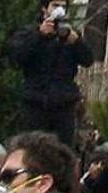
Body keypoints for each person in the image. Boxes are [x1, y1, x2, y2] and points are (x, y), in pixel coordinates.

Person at [9, 0, 94, 146]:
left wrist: (77, 42)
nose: (60, 9)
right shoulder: (28, 32)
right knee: (33, 148)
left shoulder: (71, 34)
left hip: (63, 105)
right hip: (35, 103)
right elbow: (18, 58)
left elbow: (88, 60)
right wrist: (40, 35)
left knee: (63, 149)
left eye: (63, 6)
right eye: (55, 5)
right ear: (44, 9)